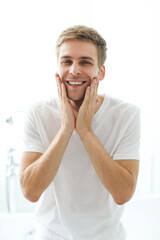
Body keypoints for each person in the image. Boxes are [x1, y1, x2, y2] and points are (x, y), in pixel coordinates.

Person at [19, 25, 140, 240]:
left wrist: (85, 131)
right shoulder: (38, 113)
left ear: (100, 72)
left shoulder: (126, 115)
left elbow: (123, 194)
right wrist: (66, 128)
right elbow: (30, 191)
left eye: (85, 61)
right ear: (57, 68)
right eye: (67, 61)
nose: (74, 70)